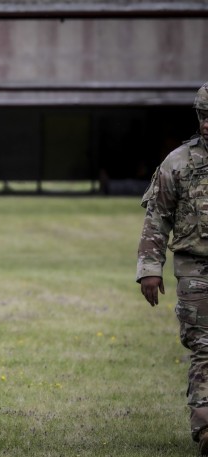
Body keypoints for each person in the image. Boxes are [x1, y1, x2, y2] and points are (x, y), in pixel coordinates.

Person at [137, 81, 208, 455]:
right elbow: (157, 217)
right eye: (204, 116)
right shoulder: (178, 162)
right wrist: (150, 267)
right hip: (196, 270)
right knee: (204, 347)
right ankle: (206, 427)